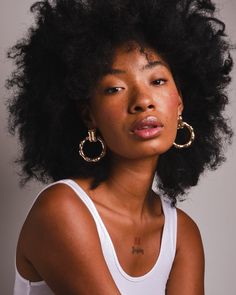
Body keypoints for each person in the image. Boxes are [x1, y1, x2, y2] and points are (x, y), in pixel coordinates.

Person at [7, 0, 233, 294]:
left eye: (158, 80)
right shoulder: (61, 210)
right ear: (90, 114)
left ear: (180, 103)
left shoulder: (182, 235)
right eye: (115, 88)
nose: (143, 100)